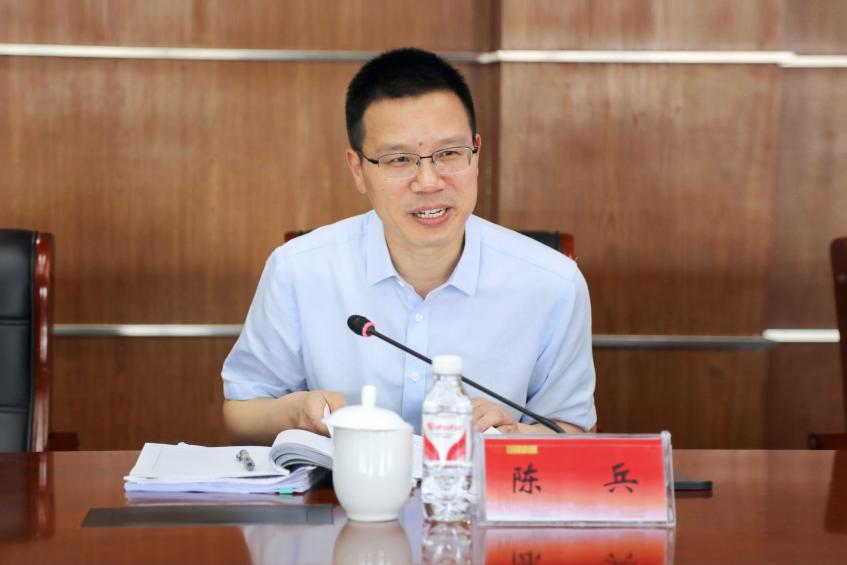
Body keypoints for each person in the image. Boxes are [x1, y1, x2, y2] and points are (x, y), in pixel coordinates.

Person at [222, 48, 596, 444]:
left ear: (476, 154)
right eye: (399, 159)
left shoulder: (553, 283)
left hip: (478, 485)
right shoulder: (298, 270)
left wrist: (516, 434)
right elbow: (241, 410)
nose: (429, 182)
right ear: (358, 169)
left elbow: (574, 428)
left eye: (449, 154)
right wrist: (295, 412)